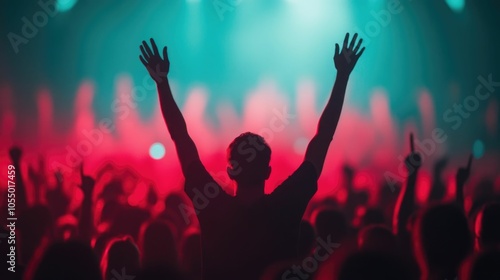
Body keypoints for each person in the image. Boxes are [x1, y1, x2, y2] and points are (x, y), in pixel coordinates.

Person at [139, 32, 365, 280]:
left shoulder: (212, 206)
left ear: (230, 170)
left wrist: (161, 83)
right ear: (268, 171)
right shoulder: (286, 204)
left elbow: (180, 137)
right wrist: (342, 77)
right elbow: (323, 138)